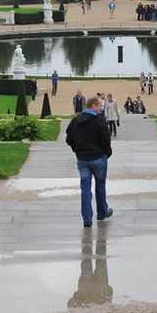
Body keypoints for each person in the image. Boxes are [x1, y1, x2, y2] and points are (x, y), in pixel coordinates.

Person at [66, 95, 113, 227]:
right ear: (93, 106)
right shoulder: (99, 120)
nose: (101, 108)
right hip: (98, 158)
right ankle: (102, 213)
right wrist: (106, 153)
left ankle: (87, 219)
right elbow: (106, 139)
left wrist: (78, 150)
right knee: (100, 186)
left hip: (82, 159)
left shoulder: (75, 120)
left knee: (85, 189)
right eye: (99, 106)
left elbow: (69, 139)